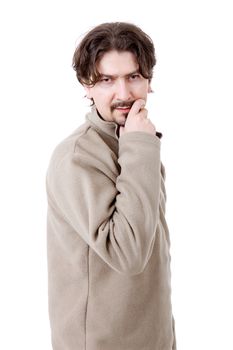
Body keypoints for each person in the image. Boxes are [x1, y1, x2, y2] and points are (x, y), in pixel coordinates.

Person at [46, 22, 177, 350]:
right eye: (106, 80)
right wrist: (138, 146)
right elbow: (129, 253)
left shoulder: (135, 138)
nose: (123, 94)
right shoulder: (77, 157)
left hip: (154, 338)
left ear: (148, 81)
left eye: (133, 77)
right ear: (86, 85)